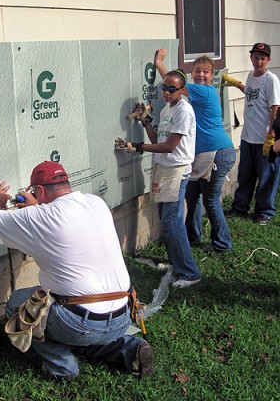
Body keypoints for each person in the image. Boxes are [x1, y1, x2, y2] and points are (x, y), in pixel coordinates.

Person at [0, 161, 154, 380]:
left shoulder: (40, 217)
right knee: (83, 323)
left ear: (41, 190)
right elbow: (61, 218)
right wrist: (38, 205)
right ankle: (129, 347)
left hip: (80, 322)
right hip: (123, 315)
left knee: (17, 303)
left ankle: (62, 367)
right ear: (66, 184)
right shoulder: (96, 202)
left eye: (35, 191)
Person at [115, 69, 201, 288]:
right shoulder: (166, 110)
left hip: (176, 171)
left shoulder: (184, 111)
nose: (166, 92)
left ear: (182, 90)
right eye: (164, 88)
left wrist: (137, 147)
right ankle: (178, 265)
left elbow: (170, 146)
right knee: (167, 220)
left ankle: (189, 273)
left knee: (172, 223)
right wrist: (145, 121)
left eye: (172, 89)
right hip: (163, 169)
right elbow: (158, 138)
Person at [155, 50, 236, 252]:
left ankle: (223, 243)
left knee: (210, 199)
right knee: (192, 196)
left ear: (212, 75)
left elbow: (173, 83)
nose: (201, 74)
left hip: (216, 152)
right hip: (201, 156)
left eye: (205, 71)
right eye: (197, 71)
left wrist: (158, 63)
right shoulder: (198, 94)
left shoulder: (204, 91)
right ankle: (193, 236)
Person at [222, 42, 280, 225]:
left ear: (268, 60)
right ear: (251, 58)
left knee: (266, 176)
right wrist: (237, 84)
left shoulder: (271, 80)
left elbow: (275, 107)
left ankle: (265, 211)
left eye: (263, 58)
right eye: (256, 58)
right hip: (247, 137)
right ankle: (240, 207)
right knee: (245, 175)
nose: (259, 62)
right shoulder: (251, 76)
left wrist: (272, 133)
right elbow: (251, 93)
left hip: (265, 139)